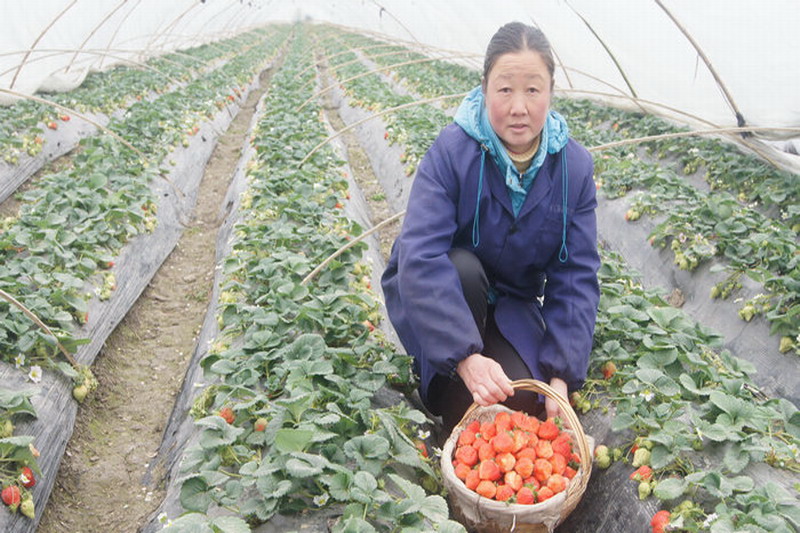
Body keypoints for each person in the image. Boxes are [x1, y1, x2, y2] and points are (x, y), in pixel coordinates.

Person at [380, 22, 600, 438]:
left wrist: (560, 377)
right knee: (462, 269)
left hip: (509, 303)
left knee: (520, 403)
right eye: (505, 89)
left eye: (532, 90)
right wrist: (466, 360)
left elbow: (575, 275)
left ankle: (477, 374)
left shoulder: (573, 169)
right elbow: (420, 256)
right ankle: (444, 373)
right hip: (443, 296)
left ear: (551, 92)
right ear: (484, 89)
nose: (519, 107)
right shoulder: (452, 152)